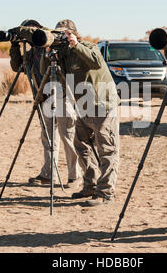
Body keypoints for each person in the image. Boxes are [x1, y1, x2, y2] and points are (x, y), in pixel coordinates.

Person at [41, 19, 120, 207]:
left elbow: (95, 61)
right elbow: (50, 77)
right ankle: (90, 185)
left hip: (102, 105)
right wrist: (48, 55)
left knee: (107, 149)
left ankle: (106, 192)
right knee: (81, 145)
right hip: (83, 106)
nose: (59, 37)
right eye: (57, 33)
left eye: (63, 33)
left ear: (73, 33)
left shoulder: (87, 47)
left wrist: (76, 45)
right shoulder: (63, 54)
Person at [9, 20, 81, 188]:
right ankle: (48, 174)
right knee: (48, 140)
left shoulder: (51, 44)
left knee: (68, 137)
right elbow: (17, 66)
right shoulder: (32, 52)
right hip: (45, 98)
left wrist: (22, 31)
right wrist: (14, 45)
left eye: (31, 33)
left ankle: (75, 176)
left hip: (62, 96)